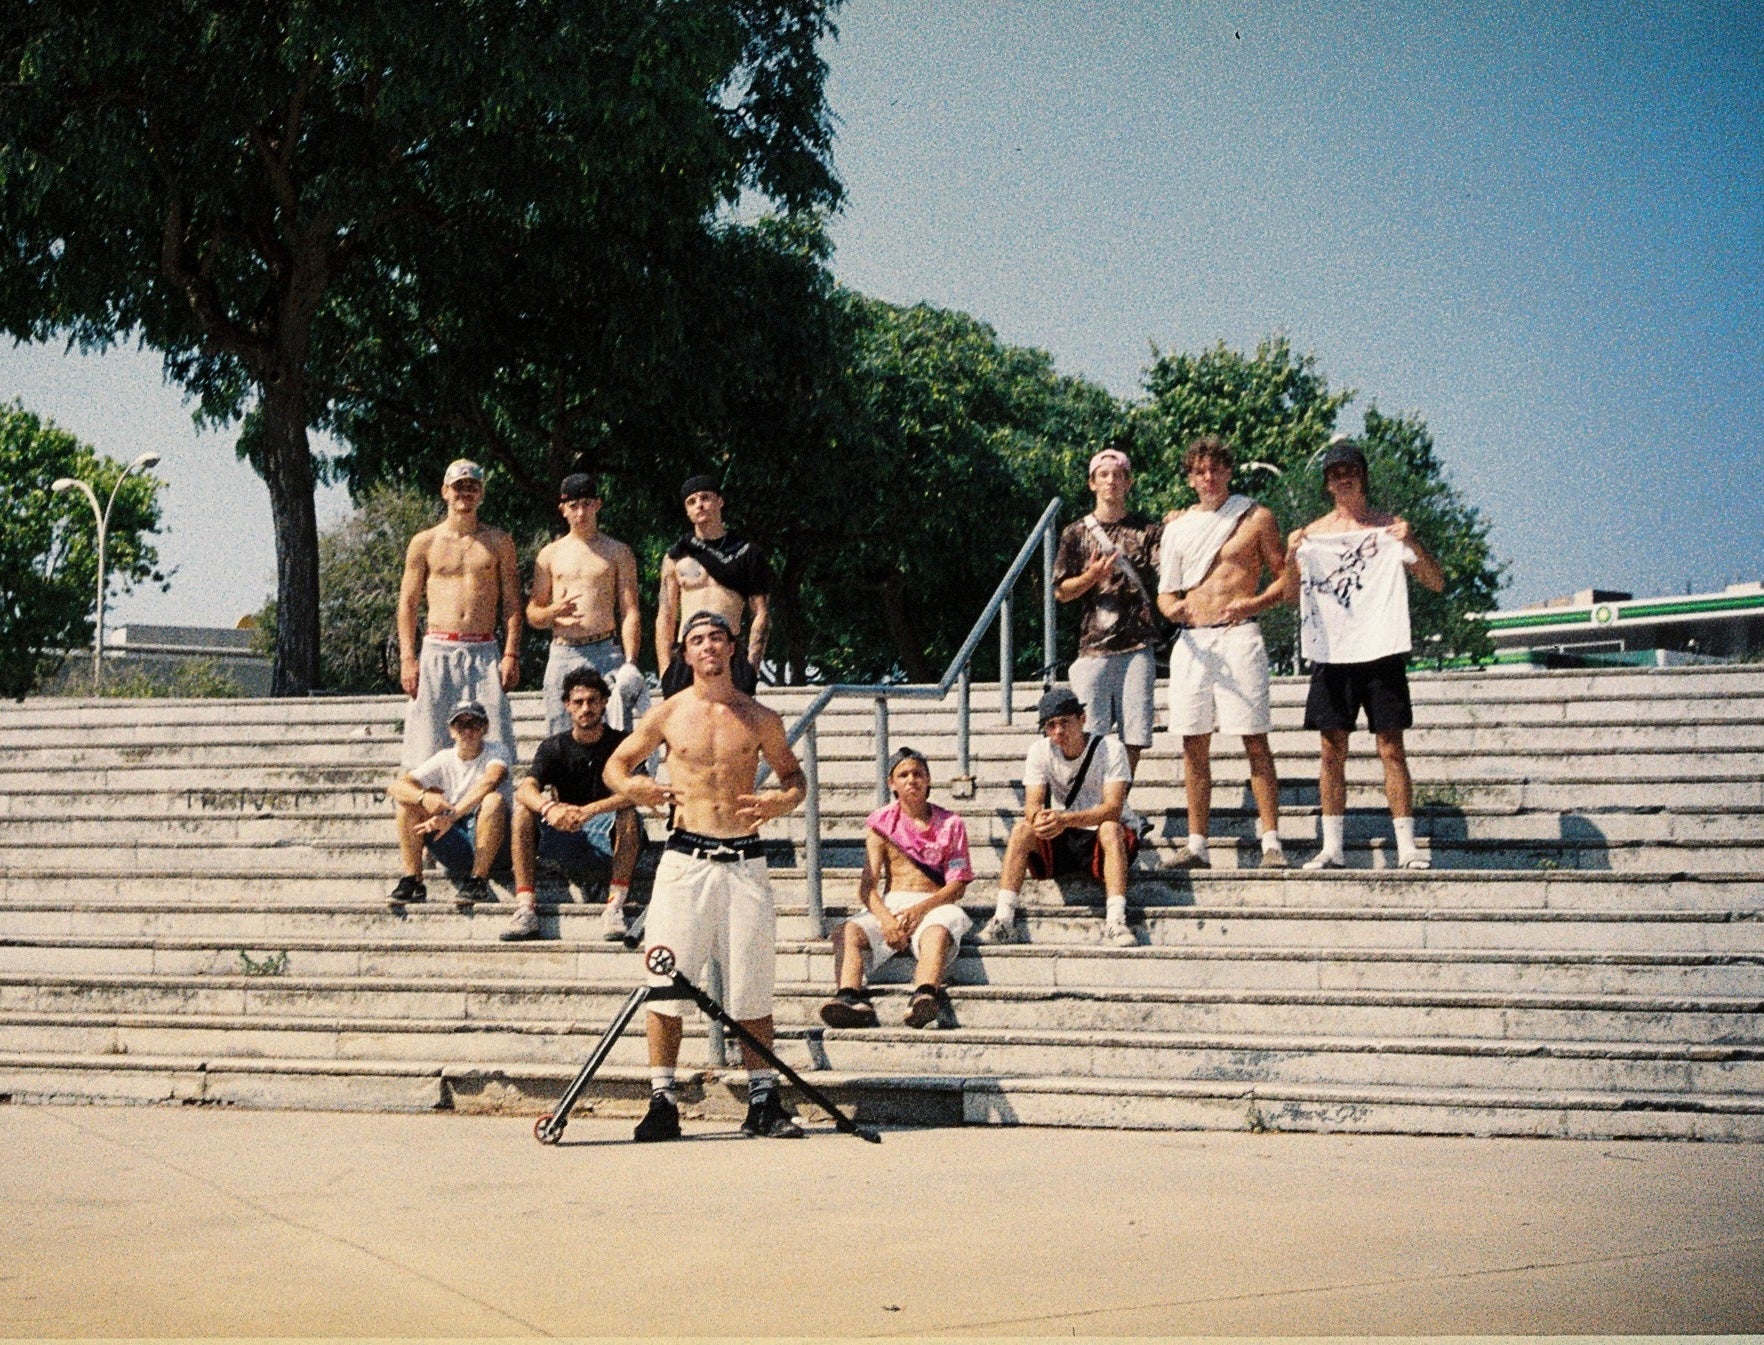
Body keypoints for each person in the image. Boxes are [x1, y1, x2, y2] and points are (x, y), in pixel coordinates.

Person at [604, 610, 807, 1142]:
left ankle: (762, 1099)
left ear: (732, 646)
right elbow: (615, 766)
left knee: (751, 983)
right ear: (686, 653)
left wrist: (780, 801)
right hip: (685, 859)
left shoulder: (760, 716)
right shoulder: (668, 714)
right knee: (665, 979)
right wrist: (636, 788)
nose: (709, 646)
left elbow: (794, 777)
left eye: (718, 637)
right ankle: (662, 1099)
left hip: (744, 860)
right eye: (698, 640)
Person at [1284, 435, 1445, 870]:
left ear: (1363, 477)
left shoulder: (1389, 529)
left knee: (1391, 748)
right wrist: (1290, 556)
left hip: (1381, 648)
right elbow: (1289, 595)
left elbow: (1435, 581)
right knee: (1331, 751)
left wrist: (1414, 543)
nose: (1343, 480)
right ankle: (1332, 847)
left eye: (1350, 472)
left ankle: (1406, 846)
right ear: (1327, 483)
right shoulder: (1314, 535)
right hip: (1332, 652)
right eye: (1335, 475)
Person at [1157, 435, 1289, 870]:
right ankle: (1197, 844)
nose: (1209, 477)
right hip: (1194, 641)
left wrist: (1254, 604)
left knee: (1254, 738)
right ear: (1190, 478)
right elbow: (1166, 593)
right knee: (1193, 743)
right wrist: (1172, 609)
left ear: (1229, 471)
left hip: (1239, 636)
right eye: (1200, 471)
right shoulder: (1177, 527)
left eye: (1216, 469)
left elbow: (1285, 579)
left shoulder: (1255, 517)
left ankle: (1271, 842)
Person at [819, 748, 975, 1032]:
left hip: (935, 903)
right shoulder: (881, 824)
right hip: (893, 903)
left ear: (928, 779)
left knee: (937, 932)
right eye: (903, 775)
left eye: (918, 774)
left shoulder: (951, 824)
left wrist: (920, 910)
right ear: (891, 783)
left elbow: (957, 885)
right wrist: (887, 920)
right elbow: (867, 887)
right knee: (847, 931)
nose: (911, 780)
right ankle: (849, 997)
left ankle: (924, 995)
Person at [978, 687, 1143, 949]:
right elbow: (1032, 805)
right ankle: (1003, 920)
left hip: (1105, 835)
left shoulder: (1110, 749)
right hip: (1064, 832)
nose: (1058, 732)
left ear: (1082, 719)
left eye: (1065, 722)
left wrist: (1064, 819)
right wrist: (1040, 819)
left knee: (1110, 828)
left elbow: (1113, 808)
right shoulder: (1039, 750)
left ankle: (1116, 921)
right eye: (1050, 725)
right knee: (1022, 829)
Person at [501, 667, 645, 943]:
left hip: (607, 826)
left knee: (628, 812)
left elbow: (639, 790)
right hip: (565, 827)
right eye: (578, 702)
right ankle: (525, 908)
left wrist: (590, 810)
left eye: (592, 701)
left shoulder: (622, 742)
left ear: (604, 702)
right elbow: (525, 789)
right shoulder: (554, 747)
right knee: (522, 812)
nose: (586, 708)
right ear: (567, 705)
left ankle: (615, 906)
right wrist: (550, 809)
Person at [396, 459, 522, 768]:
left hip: (484, 651)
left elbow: (512, 604)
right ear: (445, 491)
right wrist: (407, 658)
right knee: (427, 746)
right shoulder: (424, 542)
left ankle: (492, 798)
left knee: (496, 745)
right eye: (458, 487)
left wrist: (511, 653)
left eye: (472, 486)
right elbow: (408, 604)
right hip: (438, 650)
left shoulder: (499, 542)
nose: (465, 492)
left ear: (481, 493)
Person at [1052, 444, 1162, 774]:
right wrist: (1091, 576)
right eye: (1103, 475)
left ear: (1128, 482)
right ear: (1092, 483)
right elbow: (1061, 592)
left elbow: (1168, 572)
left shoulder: (1148, 531)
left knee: (1135, 734)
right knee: (1089, 732)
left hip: (1138, 644)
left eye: (1117, 475)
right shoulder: (1076, 533)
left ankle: (1119, 797)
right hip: (1094, 646)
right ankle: (1092, 796)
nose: (1111, 481)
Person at [527, 472, 647, 734]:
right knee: (560, 734)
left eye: (587, 504)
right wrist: (552, 611)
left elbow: (630, 611)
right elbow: (533, 614)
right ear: (563, 509)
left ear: (597, 505)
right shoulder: (549, 554)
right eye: (574, 506)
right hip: (563, 652)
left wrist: (630, 662)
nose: (581, 513)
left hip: (606, 651)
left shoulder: (618, 552)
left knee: (614, 734)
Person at [386, 700, 512, 909]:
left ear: (485, 728)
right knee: (407, 803)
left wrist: (451, 817)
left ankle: (478, 880)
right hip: (457, 841)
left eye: (474, 724)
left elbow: (491, 780)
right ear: (451, 731)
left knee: (493, 800)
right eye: (460, 725)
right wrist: (423, 797)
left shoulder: (497, 751)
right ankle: (413, 880)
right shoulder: (444, 758)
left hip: (497, 845)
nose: (467, 731)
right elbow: (396, 787)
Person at [655, 474, 771, 698]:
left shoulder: (747, 553)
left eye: (705, 498)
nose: (699, 505)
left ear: (720, 501)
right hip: (688, 652)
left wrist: (752, 667)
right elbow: (666, 615)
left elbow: (761, 613)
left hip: (727, 650)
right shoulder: (676, 556)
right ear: (687, 511)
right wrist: (665, 669)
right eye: (691, 501)